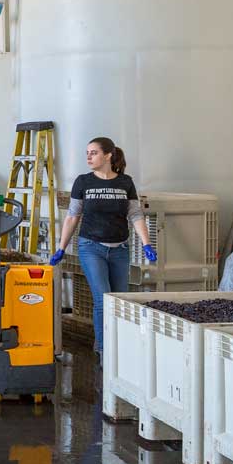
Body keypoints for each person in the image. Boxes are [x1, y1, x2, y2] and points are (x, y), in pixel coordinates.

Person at [50, 137, 157, 354]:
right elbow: (72, 216)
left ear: (108, 155)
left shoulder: (125, 182)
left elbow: (135, 214)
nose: (89, 157)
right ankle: (103, 349)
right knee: (103, 299)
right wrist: (61, 248)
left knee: (120, 300)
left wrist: (147, 244)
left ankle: (121, 348)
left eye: (94, 152)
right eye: (87, 153)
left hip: (120, 249)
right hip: (91, 247)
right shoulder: (83, 182)